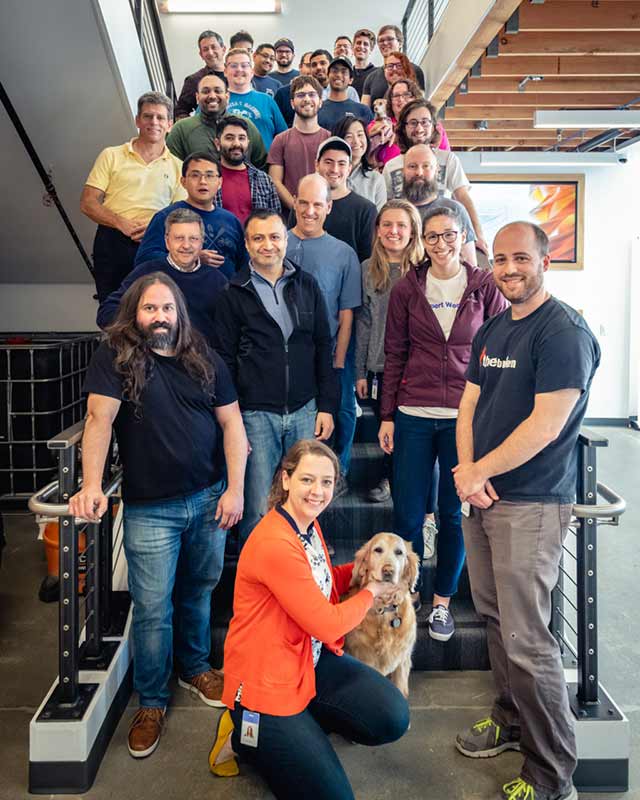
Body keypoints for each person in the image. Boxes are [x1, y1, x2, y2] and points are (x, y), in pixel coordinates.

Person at [70, 272, 248, 758]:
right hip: (151, 509)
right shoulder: (115, 357)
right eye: (150, 309)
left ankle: (194, 668)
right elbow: (99, 421)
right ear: (136, 313)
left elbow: (232, 423)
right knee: (152, 608)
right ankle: (151, 701)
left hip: (210, 500)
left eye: (167, 309)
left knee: (200, 588)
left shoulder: (203, 357)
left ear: (179, 314)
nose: (159, 317)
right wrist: (90, 486)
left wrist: (234, 489)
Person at [453, 221, 600, 800]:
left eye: (521, 258)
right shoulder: (493, 329)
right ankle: (510, 721)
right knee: (495, 620)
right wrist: (470, 476)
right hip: (483, 498)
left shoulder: (563, 332)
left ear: (546, 261)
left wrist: (479, 472)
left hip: (531, 503)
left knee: (528, 638)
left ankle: (550, 776)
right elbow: (468, 408)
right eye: (499, 258)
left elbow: (547, 425)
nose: (509, 268)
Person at [208, 438, 410, 798]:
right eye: (307, 480)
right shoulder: (274, 541)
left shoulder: (307, 526)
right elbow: (329, 624)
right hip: (266, 684)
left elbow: (322, 578)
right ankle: (244, 732)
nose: (318, 491)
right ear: (286, 479)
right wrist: (372, 592)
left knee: (391, 714)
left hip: (306, 661)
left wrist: (364, 568)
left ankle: (298, 732)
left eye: (327, 482)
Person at [379, 205, 507, 635]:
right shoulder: (407, 288)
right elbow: (395, 353)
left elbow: (502, 351)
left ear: (463, 236)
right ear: (422, 240)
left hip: (464, 417)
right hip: (413, 413)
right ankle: (408, 595)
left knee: (453, 516)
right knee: (408, 515)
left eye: (449, 235)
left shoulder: (484, 286)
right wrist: (387, 416)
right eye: (431, 236)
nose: (440, 244)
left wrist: (492, 413)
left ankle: (441, 603)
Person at [213, 209, 337, 548]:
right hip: (255, 415)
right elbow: (222, 359)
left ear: (286, 240)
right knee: (256, 507)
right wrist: (233, 416)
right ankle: (259, 587)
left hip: (304, 409)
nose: (268, 245)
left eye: (274, 237)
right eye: (258, 238)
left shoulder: (307, 284)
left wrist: (326, 405)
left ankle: (305, 576)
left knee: (308, 500)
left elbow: (324, 345)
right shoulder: (232, 293)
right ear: (247, 245)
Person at [287, 174, 362, 482]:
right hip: (285, 357)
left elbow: (346, 314)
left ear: (329, 207)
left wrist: (339, 361)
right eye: (303, 203)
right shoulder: (277, 241)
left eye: (318, 204)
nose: (309, 211)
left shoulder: (344, 253)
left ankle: (338, 474)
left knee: (342, 414)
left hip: (330, 353)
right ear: (293, 202)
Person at [81, 91, 185, 303]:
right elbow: (88, 202)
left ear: (170, 124)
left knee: (153, 305)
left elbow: (180, 213)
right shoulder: (111, 155)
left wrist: (154, 228)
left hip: (156, 242)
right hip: (112, 240)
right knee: (112, 308)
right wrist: (121, 223)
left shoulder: (178, 166)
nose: (153, 122)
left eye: (160, 117)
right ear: (138, 120)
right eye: (147, 116)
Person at [355, 199, 424, 502]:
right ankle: (385, 478)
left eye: (401, 225)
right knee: (385, 429)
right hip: (380, 365)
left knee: (413, 434)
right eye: (387, 224)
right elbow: (363, 322)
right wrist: (359, 371)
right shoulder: (367, 269)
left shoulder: (426, 269)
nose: (393, 231)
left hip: (420, 367)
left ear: (413, 232)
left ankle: (415, 494)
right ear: (378, 229)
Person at [98, 208, 228, 346]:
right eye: (179, 238)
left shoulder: (217, 280)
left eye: (193, 239)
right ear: (167, 241)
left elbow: (228, 329)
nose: (186, 245)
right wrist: (140, 336)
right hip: (153, 358)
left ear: (201, 242)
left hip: (201, 359)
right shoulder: (146, 272)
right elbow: (107, 312)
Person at [383, 100, 488, 251]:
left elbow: (463, 196)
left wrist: (479, 235)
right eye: (413, 123)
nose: (419, 128)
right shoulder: (391, 166)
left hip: (441, 240)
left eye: (425, 122)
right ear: (404, 128)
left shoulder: (448, 159)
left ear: (433, 126)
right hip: (405, 242)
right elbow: (386, 205)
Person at [133, 151, 247, 278]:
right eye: (195, 175)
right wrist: (191, 258)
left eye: (209, 176)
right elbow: (144, 260)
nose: (203, 181)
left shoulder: (231, 220)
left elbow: (245, 265)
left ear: (220, 182)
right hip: (181, 293)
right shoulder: (165, 217)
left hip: (227, 294)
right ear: (183, 182)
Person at [166, 73, 267, 171]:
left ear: (227, 97)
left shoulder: (245, 125)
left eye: (218, 91)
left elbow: (261, 165)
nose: (212, 96)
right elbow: (171, 170)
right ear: (197, 97)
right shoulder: (181, 129)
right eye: (206, 91)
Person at [402, 144, 477, 265]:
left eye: (426, 166)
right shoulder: (395, 212)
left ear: (437, 171)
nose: (419, 172)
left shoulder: (455, 209)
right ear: (403, 171)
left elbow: (470, 264)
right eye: (412, 166)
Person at [268, 75, 330, 211]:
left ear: (320, 101)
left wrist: (316, 208)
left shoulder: (330, 140)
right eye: (300, 95)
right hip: (289, 216)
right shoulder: (280, 140)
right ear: (292, 103)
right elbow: (275, 181)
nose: (307, 99)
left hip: (323, 213)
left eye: (312, 94)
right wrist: (297, 207)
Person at [315, 137, 377, 262]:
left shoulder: (365, 210)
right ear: (316, 164)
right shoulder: (305, 206)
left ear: (349, 168)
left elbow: (367, 260)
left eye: (341, 163)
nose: (334, 169)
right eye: (328, 162)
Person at [214, 115, 281, 226]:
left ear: (248, 143)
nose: (236, 143)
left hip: (256, 241)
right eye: (229, 138)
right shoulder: (208, 179)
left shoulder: (263, 179)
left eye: (241, 138)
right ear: (217, 143)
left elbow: (276, 221)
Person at [225, 47, 287, 151]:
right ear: (225, 71)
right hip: (226, 165)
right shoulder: (216, 101)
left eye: (244, 65)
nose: (239, 69)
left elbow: (284, 138)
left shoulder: (267, 101)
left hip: (264, 165)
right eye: (234, 65)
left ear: (252, 71)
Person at [361, 25, 426, 106]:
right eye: (381, 40)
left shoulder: (415, 70)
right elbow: (364, 111)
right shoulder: (371, 77)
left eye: (390, 39)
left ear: (400, 43)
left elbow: (421, 103)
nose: (385, 43)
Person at [367, 78, 422, 168]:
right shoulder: (377, 124)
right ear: (389, 101)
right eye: (396, 96)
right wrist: (374, 140)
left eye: (407, 94)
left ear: (415, 98)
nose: (400, 99)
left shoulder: (429, 126)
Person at [332, 116, 386, 210]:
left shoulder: (376, 179)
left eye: (360, 135)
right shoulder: (329, 175)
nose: (356, 141)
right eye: (348, 136)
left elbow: (380, 218)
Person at [175, 30, 226, 119]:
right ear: (201, 54)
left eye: (214, 47)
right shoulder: (194, 80)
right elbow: (181, 111)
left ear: (223, 49)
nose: (210, 52)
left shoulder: (235, 75)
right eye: (205, 49)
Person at [317, 57, 373, 131]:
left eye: (344, 72)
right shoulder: (318, 109)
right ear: (328, 76)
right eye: (334, 71)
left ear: (350, 80)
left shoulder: (363, 110)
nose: (339, 75)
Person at [351, 29, 377, 97]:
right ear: (353, 47)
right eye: (358, 43)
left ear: (371, 49)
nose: (361, 46)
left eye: (365, 44)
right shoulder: (347, 73)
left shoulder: (377, 74)